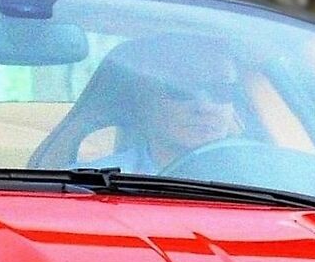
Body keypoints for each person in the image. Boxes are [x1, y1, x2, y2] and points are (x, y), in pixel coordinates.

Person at [73, 37, 250, 174]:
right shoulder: (88, 186)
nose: (204, 106)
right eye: (182, 88)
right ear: (145, 100)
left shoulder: (265, 181)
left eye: (222, 90)